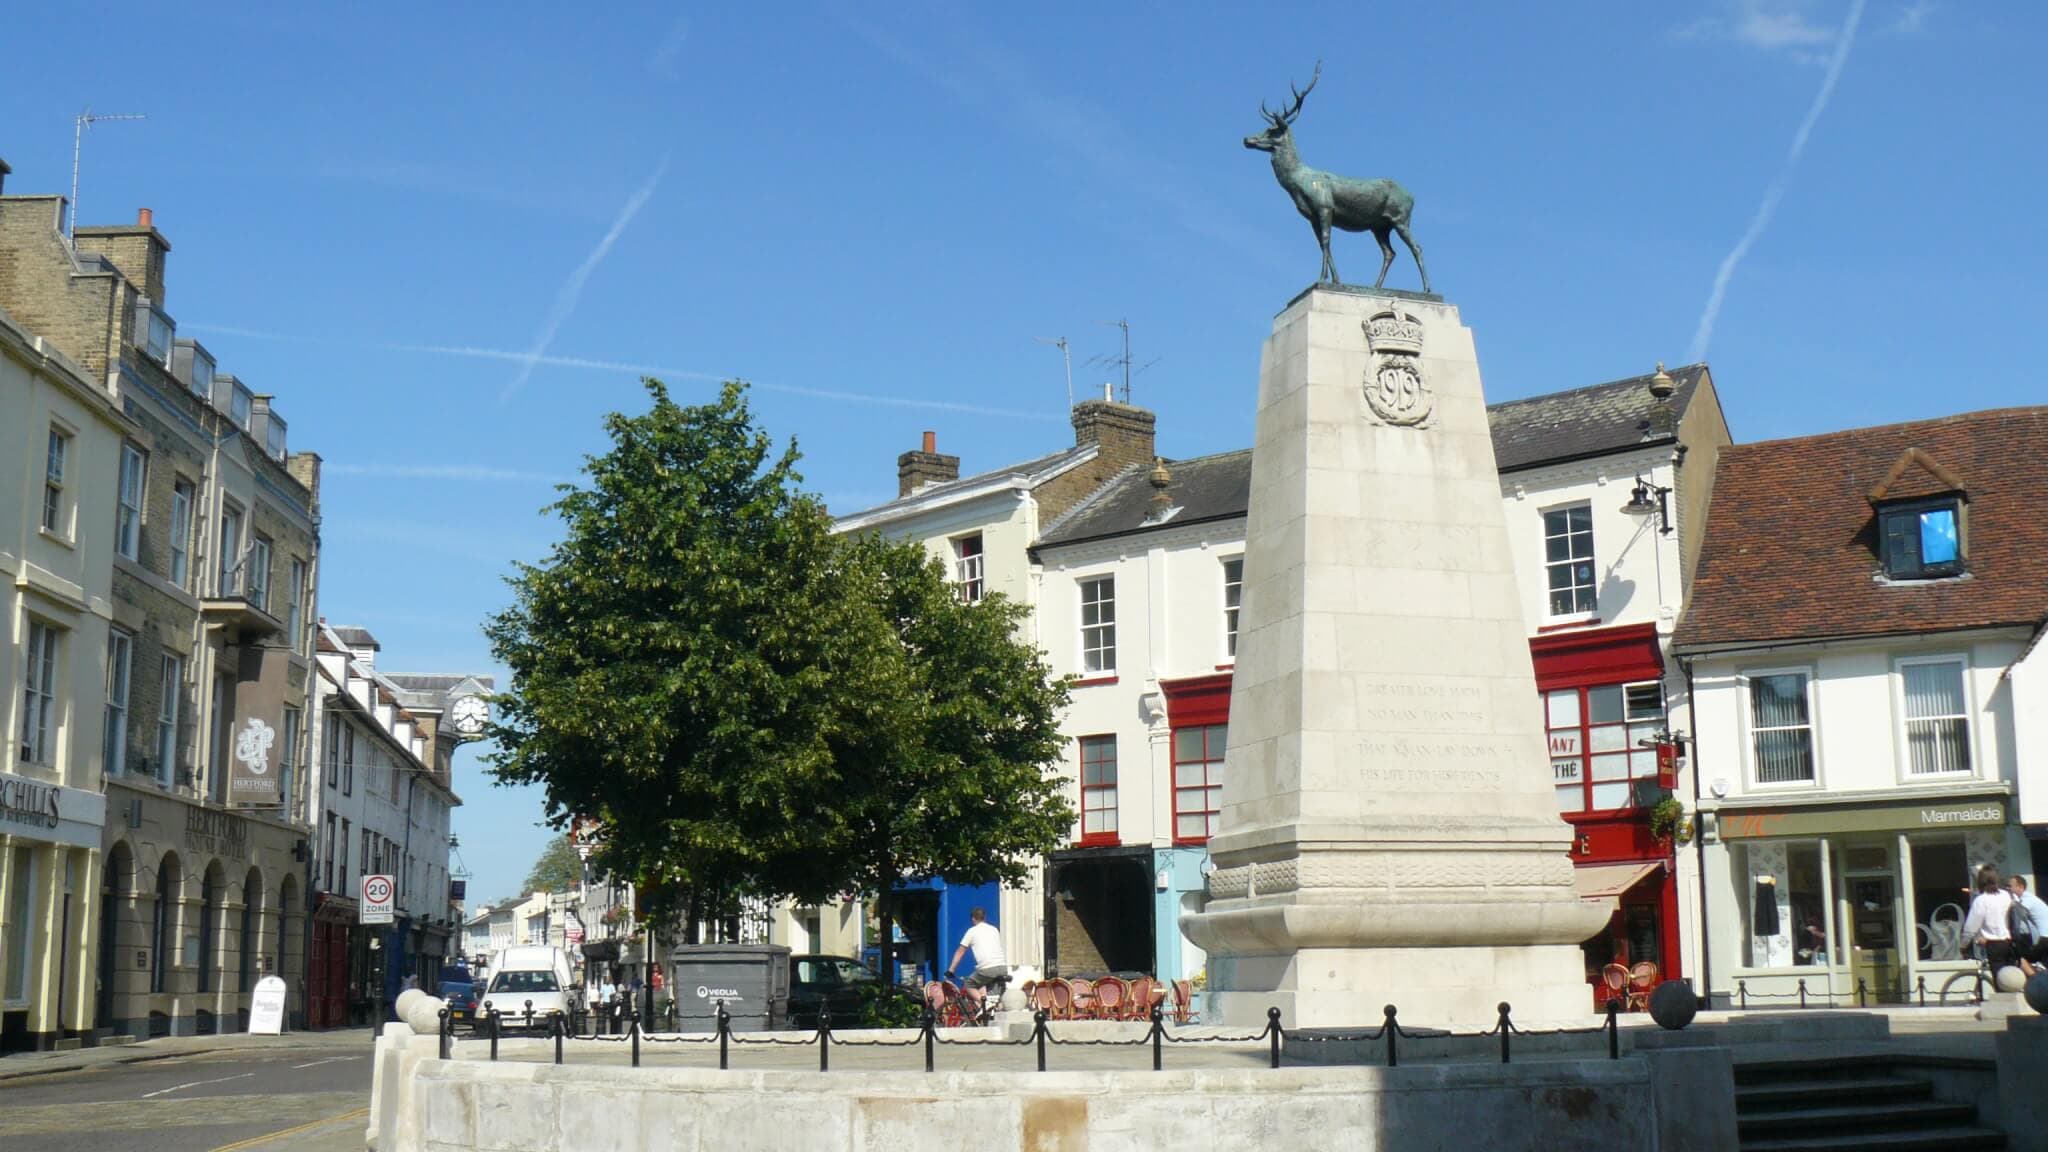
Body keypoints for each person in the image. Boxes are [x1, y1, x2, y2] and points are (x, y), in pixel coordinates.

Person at [943, 907, 1009, 1010]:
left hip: (987, 969)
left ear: (973, 919)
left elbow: (961, 951)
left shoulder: (972, 931)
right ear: (985, 917)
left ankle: (984, 1003)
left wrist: (951, 970)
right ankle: (993, 1010)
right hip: (1002, 967)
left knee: (968, 983)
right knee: (993, 995)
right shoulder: (994, 929)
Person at [1960, 866, 2017, 974]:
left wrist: (1963, 945)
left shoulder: (1981, 900)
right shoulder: (2005, 895)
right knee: (2010, 976)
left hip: (1994, 945)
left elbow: (1971, 927)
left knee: (1999, 979)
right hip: (2009, 942)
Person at [2006, 874, 2048, 977]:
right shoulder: (2029, 899)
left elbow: (2017, 914)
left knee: (2020, 958)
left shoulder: (2027, 900)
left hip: (2045, 938)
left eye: (2010, 886)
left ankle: (2035, 980)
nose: (2008, 888)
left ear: (2020, 887)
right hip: (2044, 937)